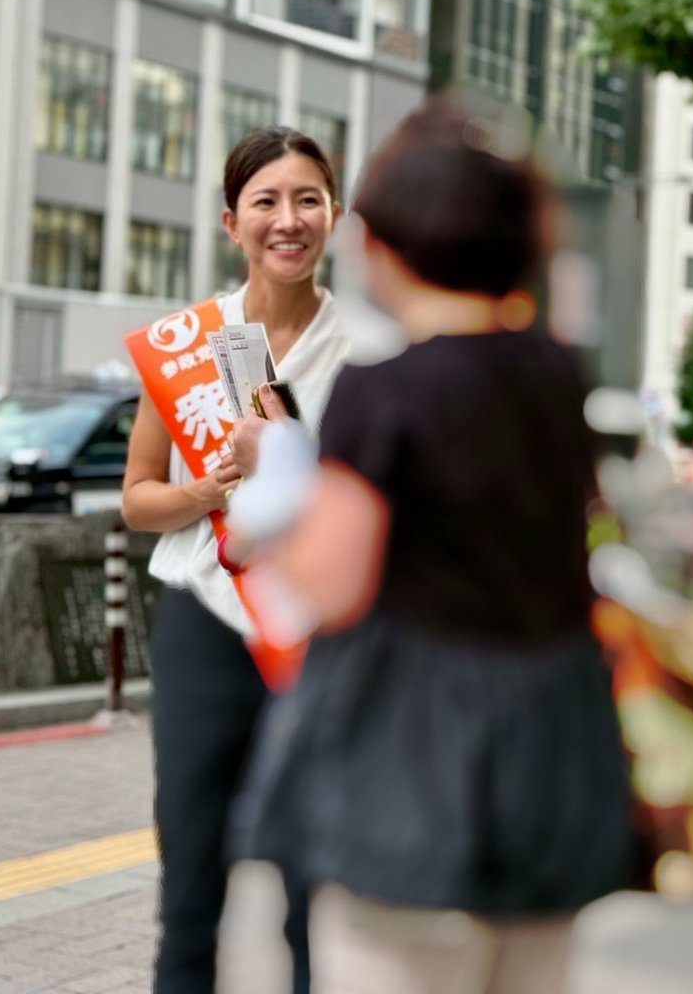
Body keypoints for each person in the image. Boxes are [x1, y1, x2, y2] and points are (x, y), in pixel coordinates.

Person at [225, 102, 637, 994]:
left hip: (414, 760)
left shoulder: (389, 389)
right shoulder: (559, 373)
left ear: (382, 242)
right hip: (552, 752)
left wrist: (277, 497)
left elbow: (333, 587)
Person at [122, 126, 351, 994]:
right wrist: (212, 491)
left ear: (336, 213)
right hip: (203, 622)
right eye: (266, 202)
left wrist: (296, 470)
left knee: (310, 875)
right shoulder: (186, 344)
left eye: (307, 199)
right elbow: (139, 495)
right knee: (190, 864)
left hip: (316, 630)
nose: (287, 221)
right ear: (231, 222)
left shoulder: (361, 349)